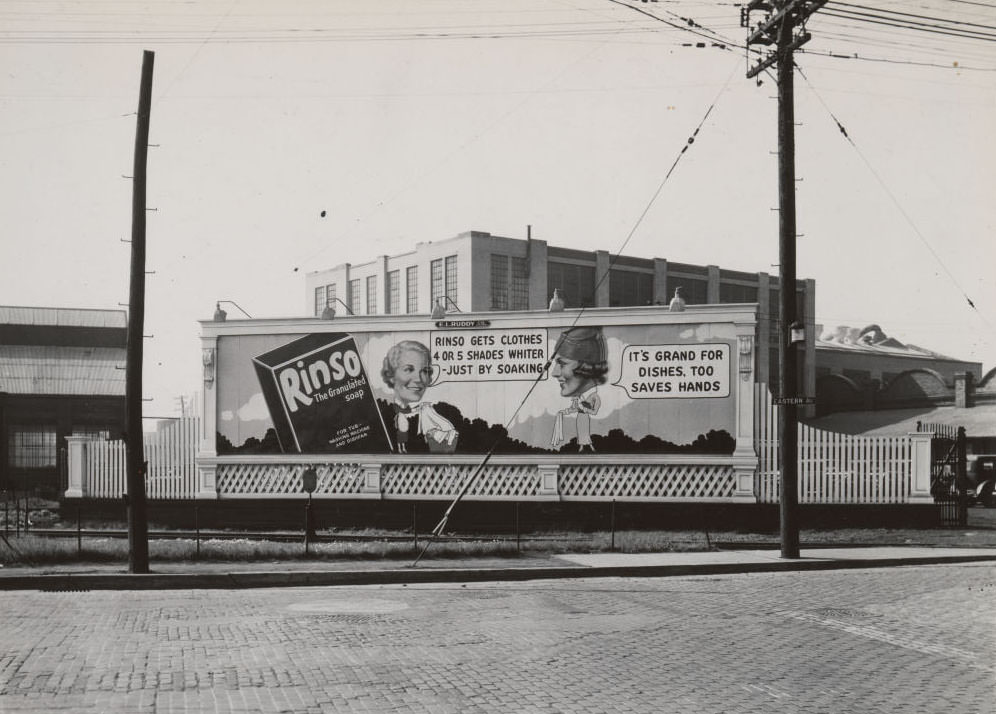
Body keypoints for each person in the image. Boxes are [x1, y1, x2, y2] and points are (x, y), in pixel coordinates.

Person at [381, 340, 457, 453]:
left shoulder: (429, 412)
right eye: (408, 369)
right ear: (391, 375)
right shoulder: (383, 417)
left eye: (425, 371)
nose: (418, 379)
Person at [550, 327, 609, 452]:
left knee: (585, 435)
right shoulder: (578, 398)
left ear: (586, 367)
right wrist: (564, 413)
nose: (554, 373)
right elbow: (575, 409)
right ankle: (582, 446)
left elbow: (593, 412)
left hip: (585, 418)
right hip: (581, 419)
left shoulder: (594, 397)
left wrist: (585, 408)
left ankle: (588, 446)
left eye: (562, 364)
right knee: (581, 434)